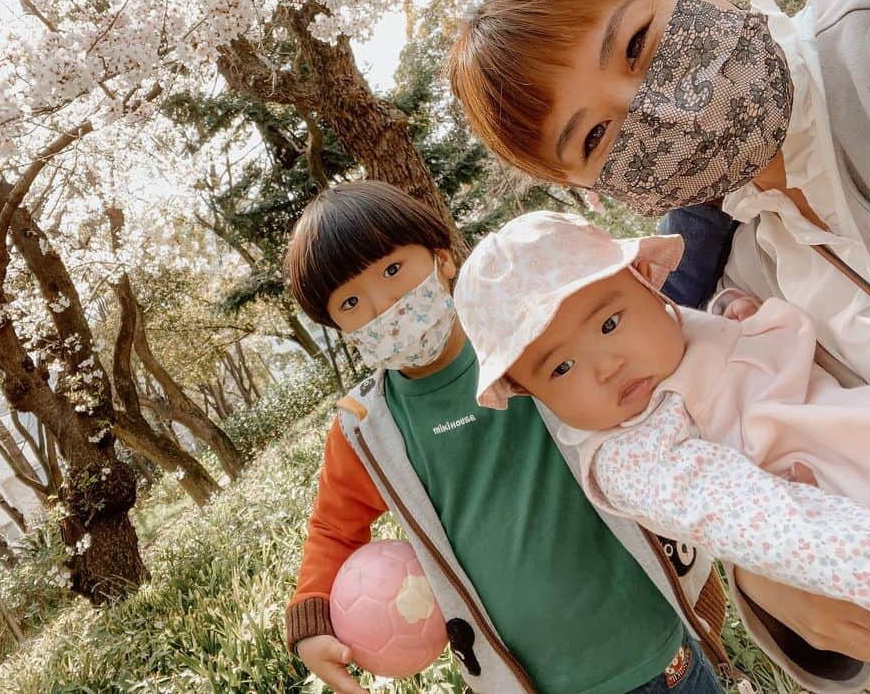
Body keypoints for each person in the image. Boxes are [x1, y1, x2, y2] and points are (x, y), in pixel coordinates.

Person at [446, 0, 870, 677]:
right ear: (591, 190)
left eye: (638, 43)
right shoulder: (739, 284)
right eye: (596, 138)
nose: (658, 105)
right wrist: (763, 572)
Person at [283, 181, 731, 694]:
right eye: (351, 302)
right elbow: (334, 530)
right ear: (337, 327)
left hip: (660, 652)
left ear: (442, 258)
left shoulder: (532, 342)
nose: (385, 307)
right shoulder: (367, 431)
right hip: (532, 683)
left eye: (392, 270)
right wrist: (311, 625)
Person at [447, 0, 870, 393]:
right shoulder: (756, 287)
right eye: (596, 135)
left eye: (638, 43)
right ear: (582, 185)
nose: (671, 111)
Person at [454, 210, 870, 625]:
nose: (606, 368)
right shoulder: (635, 455)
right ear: (528, 391)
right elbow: (770, 525)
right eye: (562, 368)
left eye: (609, 325)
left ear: (648, 284)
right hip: (864, 516)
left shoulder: (670, 340)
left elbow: (703, 342)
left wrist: (728, 310)